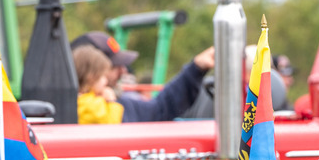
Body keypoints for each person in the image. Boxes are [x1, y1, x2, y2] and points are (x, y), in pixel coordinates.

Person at [70, 31, 215, 123]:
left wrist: (196, 68)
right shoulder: (84, 112)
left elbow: (159, 109)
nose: (124, 70)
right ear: (88, 75)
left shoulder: (119, 105)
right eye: (114, 66)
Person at [74, 45, 124, 124]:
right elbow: (112, 124)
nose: (106, 81)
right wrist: (111, 101)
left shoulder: (80, 99)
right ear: (91, 77)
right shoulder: (92, 105)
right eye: (103, 76)